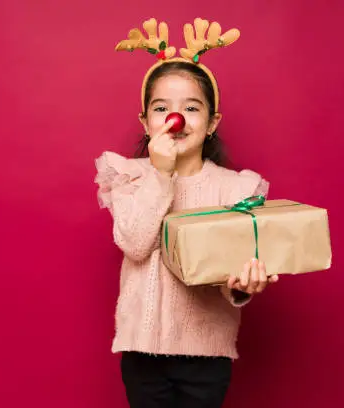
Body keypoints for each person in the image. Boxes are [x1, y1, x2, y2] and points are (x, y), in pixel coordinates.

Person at [94, 18, 279, 408]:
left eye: (191, 108)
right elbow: (135, 242)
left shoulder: (235, 189)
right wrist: (160, 173)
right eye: (162, 108)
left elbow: (231, 270)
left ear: (211, 123)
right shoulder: (129, 176)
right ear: (147, 123)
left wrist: (243, 284)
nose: (176, 119)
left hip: (206, 356)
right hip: (142, 354)